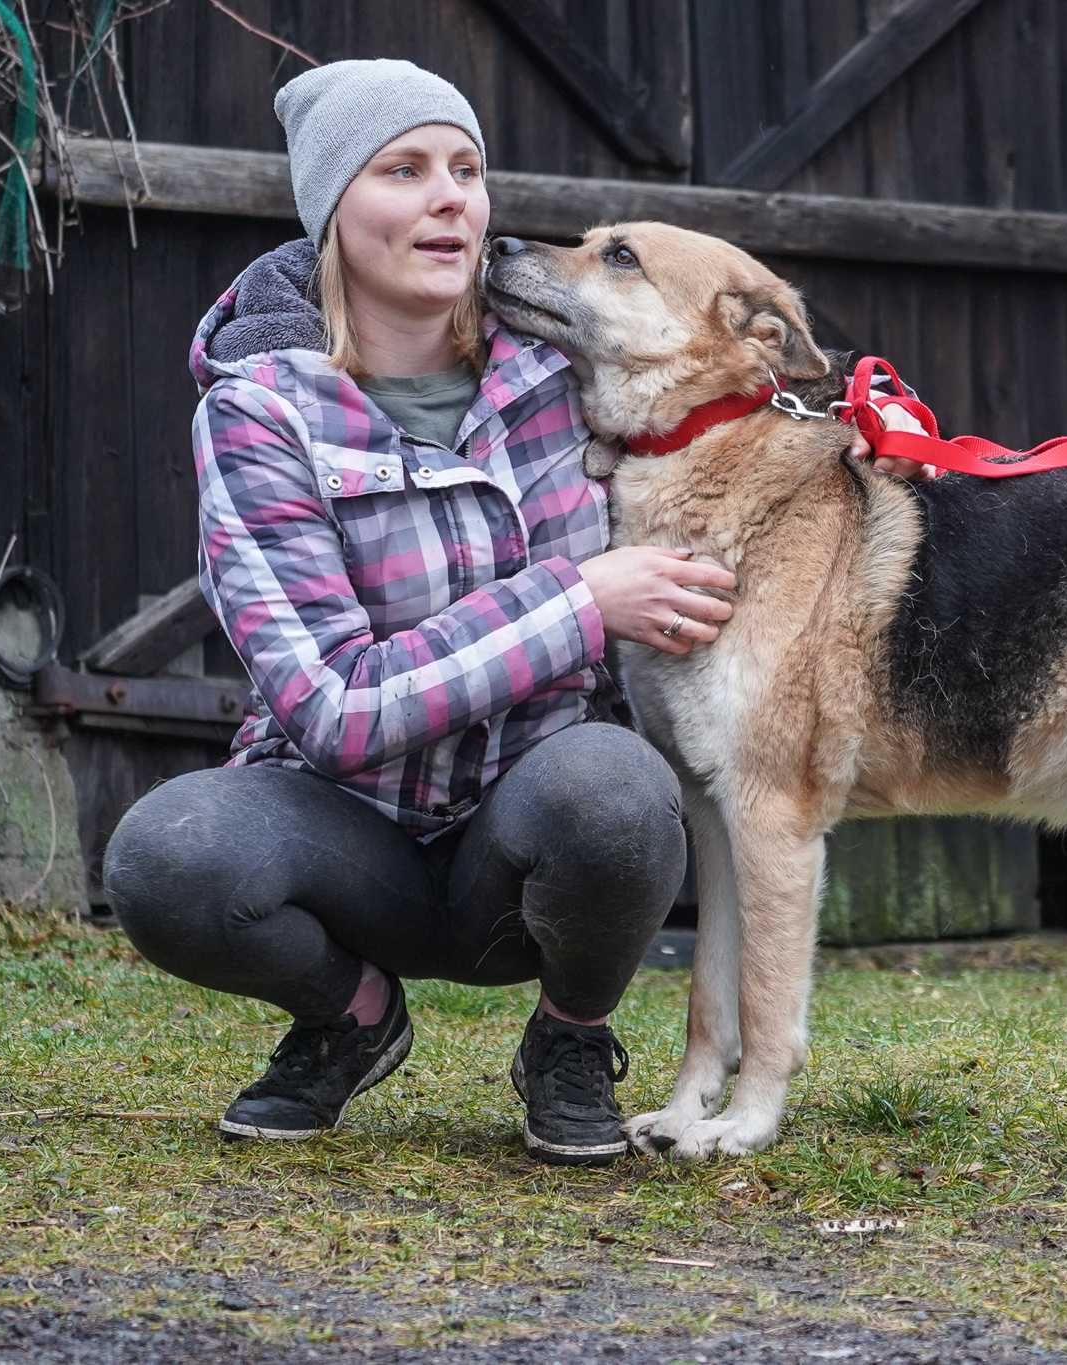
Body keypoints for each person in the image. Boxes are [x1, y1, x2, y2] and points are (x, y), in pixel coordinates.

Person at [102, 59, 932, 1165]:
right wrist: (577, 603)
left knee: (621, 788)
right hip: (352, 837)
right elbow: (331, 706)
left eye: (466, 169)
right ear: (333, 209)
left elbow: (710, 411)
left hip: (533, 837)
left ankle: (570, 1040)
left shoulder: (563, 370)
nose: (451, 196)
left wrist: (841, 458)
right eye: (404, 170)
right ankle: (348, 1019)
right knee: (170, 855)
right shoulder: (259, 413)